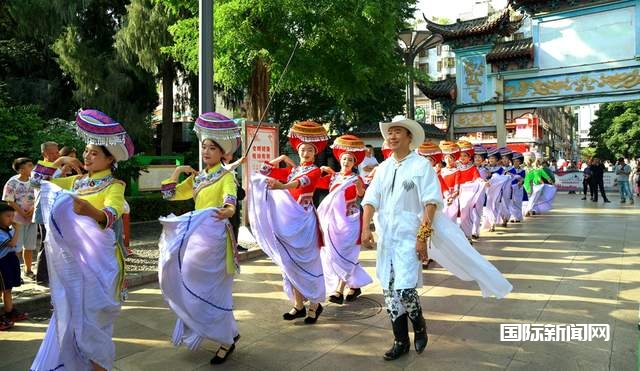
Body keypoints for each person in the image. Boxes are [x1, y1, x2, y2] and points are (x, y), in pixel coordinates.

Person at [361, 116, 512, 361]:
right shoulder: (384, 167)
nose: (392, 136)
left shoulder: (421, 166)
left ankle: (419, 325)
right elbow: (370, 199)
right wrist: (365, 229)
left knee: (406, 288)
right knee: (389, 290)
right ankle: (400, 341)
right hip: (386, 237)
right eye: (390, 132)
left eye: (398, 132)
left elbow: (431, 202)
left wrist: (422, 237)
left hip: (410, 234)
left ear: (409, 137)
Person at [30, 109, 133, 371]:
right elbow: (37, 182)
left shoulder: (114, 185)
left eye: (94, 153)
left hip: (101, 264)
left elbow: (111, 215)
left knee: (95, 321)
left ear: (110, 159)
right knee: (73, 315)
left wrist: (90, 211)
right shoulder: (76, 182)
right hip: (75, 263)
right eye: (86, 151)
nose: (87, 156)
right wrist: (59, 161)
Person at [158, 112, 242, 365]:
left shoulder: (226, 175)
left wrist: (228, 209)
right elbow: (169, 195)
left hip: (216, 238)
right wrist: (177, 172)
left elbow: (230, 198)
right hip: (196, 238)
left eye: (211, 148)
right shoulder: (197, 178)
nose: (206, 151)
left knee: (214, 289)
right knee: (192, 281)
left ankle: (225, 340)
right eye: (204, 147)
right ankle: (229, 330)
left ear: (221, 153)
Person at [248, 120, 328, 324]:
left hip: (305, 222)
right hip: (288, 222)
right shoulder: (292, 169)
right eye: (303, 149)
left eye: (310, 150)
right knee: (289, 262)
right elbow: (262, 173)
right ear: (298, 151)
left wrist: (282, 186)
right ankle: (298, 305)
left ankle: (314, 305)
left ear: (315, 153)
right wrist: (280, 158)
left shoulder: (315, 170)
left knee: (308, 262)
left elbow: (300, 183)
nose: (306, 153)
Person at [317, 134, 372, 305]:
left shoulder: (356, 178)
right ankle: (355, 286)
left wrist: (359, 187)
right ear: (340, 160)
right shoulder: (333, 177)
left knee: (346, 254)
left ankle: (338, 290)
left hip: (350, 221)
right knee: (334, 255)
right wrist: (321, 171)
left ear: (354, 163)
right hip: (332, 222)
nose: (346, 162)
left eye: (350, 160)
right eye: (344, 159)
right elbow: (316, 183)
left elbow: (362, 194)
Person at [3, 157, 37, 279]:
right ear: (21, 170)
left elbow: (39, 196)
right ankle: (16, 273)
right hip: (17, 220)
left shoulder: (35, 181)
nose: (32, 168)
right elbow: (9, 200)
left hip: (32, 218)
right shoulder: (12, 182)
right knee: (16, 247)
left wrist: (32, 209)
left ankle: (28, 270)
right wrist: (22, 212)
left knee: (30, 246)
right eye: (29, 166)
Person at [33, 141, 60, 285]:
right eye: (53, 153)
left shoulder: (58, 168)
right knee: (46, 243)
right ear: (44, 154)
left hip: (57, 211)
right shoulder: (38, 169)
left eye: (57, 152)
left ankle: (51, 274)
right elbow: (35, 183)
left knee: (56, 244)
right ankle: (41, 277)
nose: (56, 155)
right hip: (43, 212)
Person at [0, 202, 27, 330]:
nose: (11, 219)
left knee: (8, 289)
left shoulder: (9, 230)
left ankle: (9, 312)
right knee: (2, 290)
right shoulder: (1, 233)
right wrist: (18, 229)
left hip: (10, 261)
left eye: (12, 216)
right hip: (2, 264)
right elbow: (12, 244)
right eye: (7, 216)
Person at [438, 141, 461, 223]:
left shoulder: (457, 171)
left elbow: (457, 186)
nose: (448, 160)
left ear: (454, 159)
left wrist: (452, 196)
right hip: (441, 196)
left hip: (452, 196)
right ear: (444, 159)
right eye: (446, 158)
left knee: (451, 218)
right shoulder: (440, 171)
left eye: (450, 158)